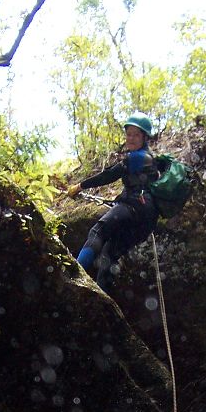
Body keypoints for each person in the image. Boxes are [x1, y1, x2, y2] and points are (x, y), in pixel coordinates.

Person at [67, 112, 160, 293]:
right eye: (129, 134)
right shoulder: (150, 160)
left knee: (97, 231)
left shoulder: (137, 157)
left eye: (136, 135)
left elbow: (109, 175)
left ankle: (73, 275)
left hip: (134, 207)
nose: (131, 138)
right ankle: (103, 298)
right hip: (145, 222)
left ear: (144, 137)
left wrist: (80, 186)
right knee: (109, 254)